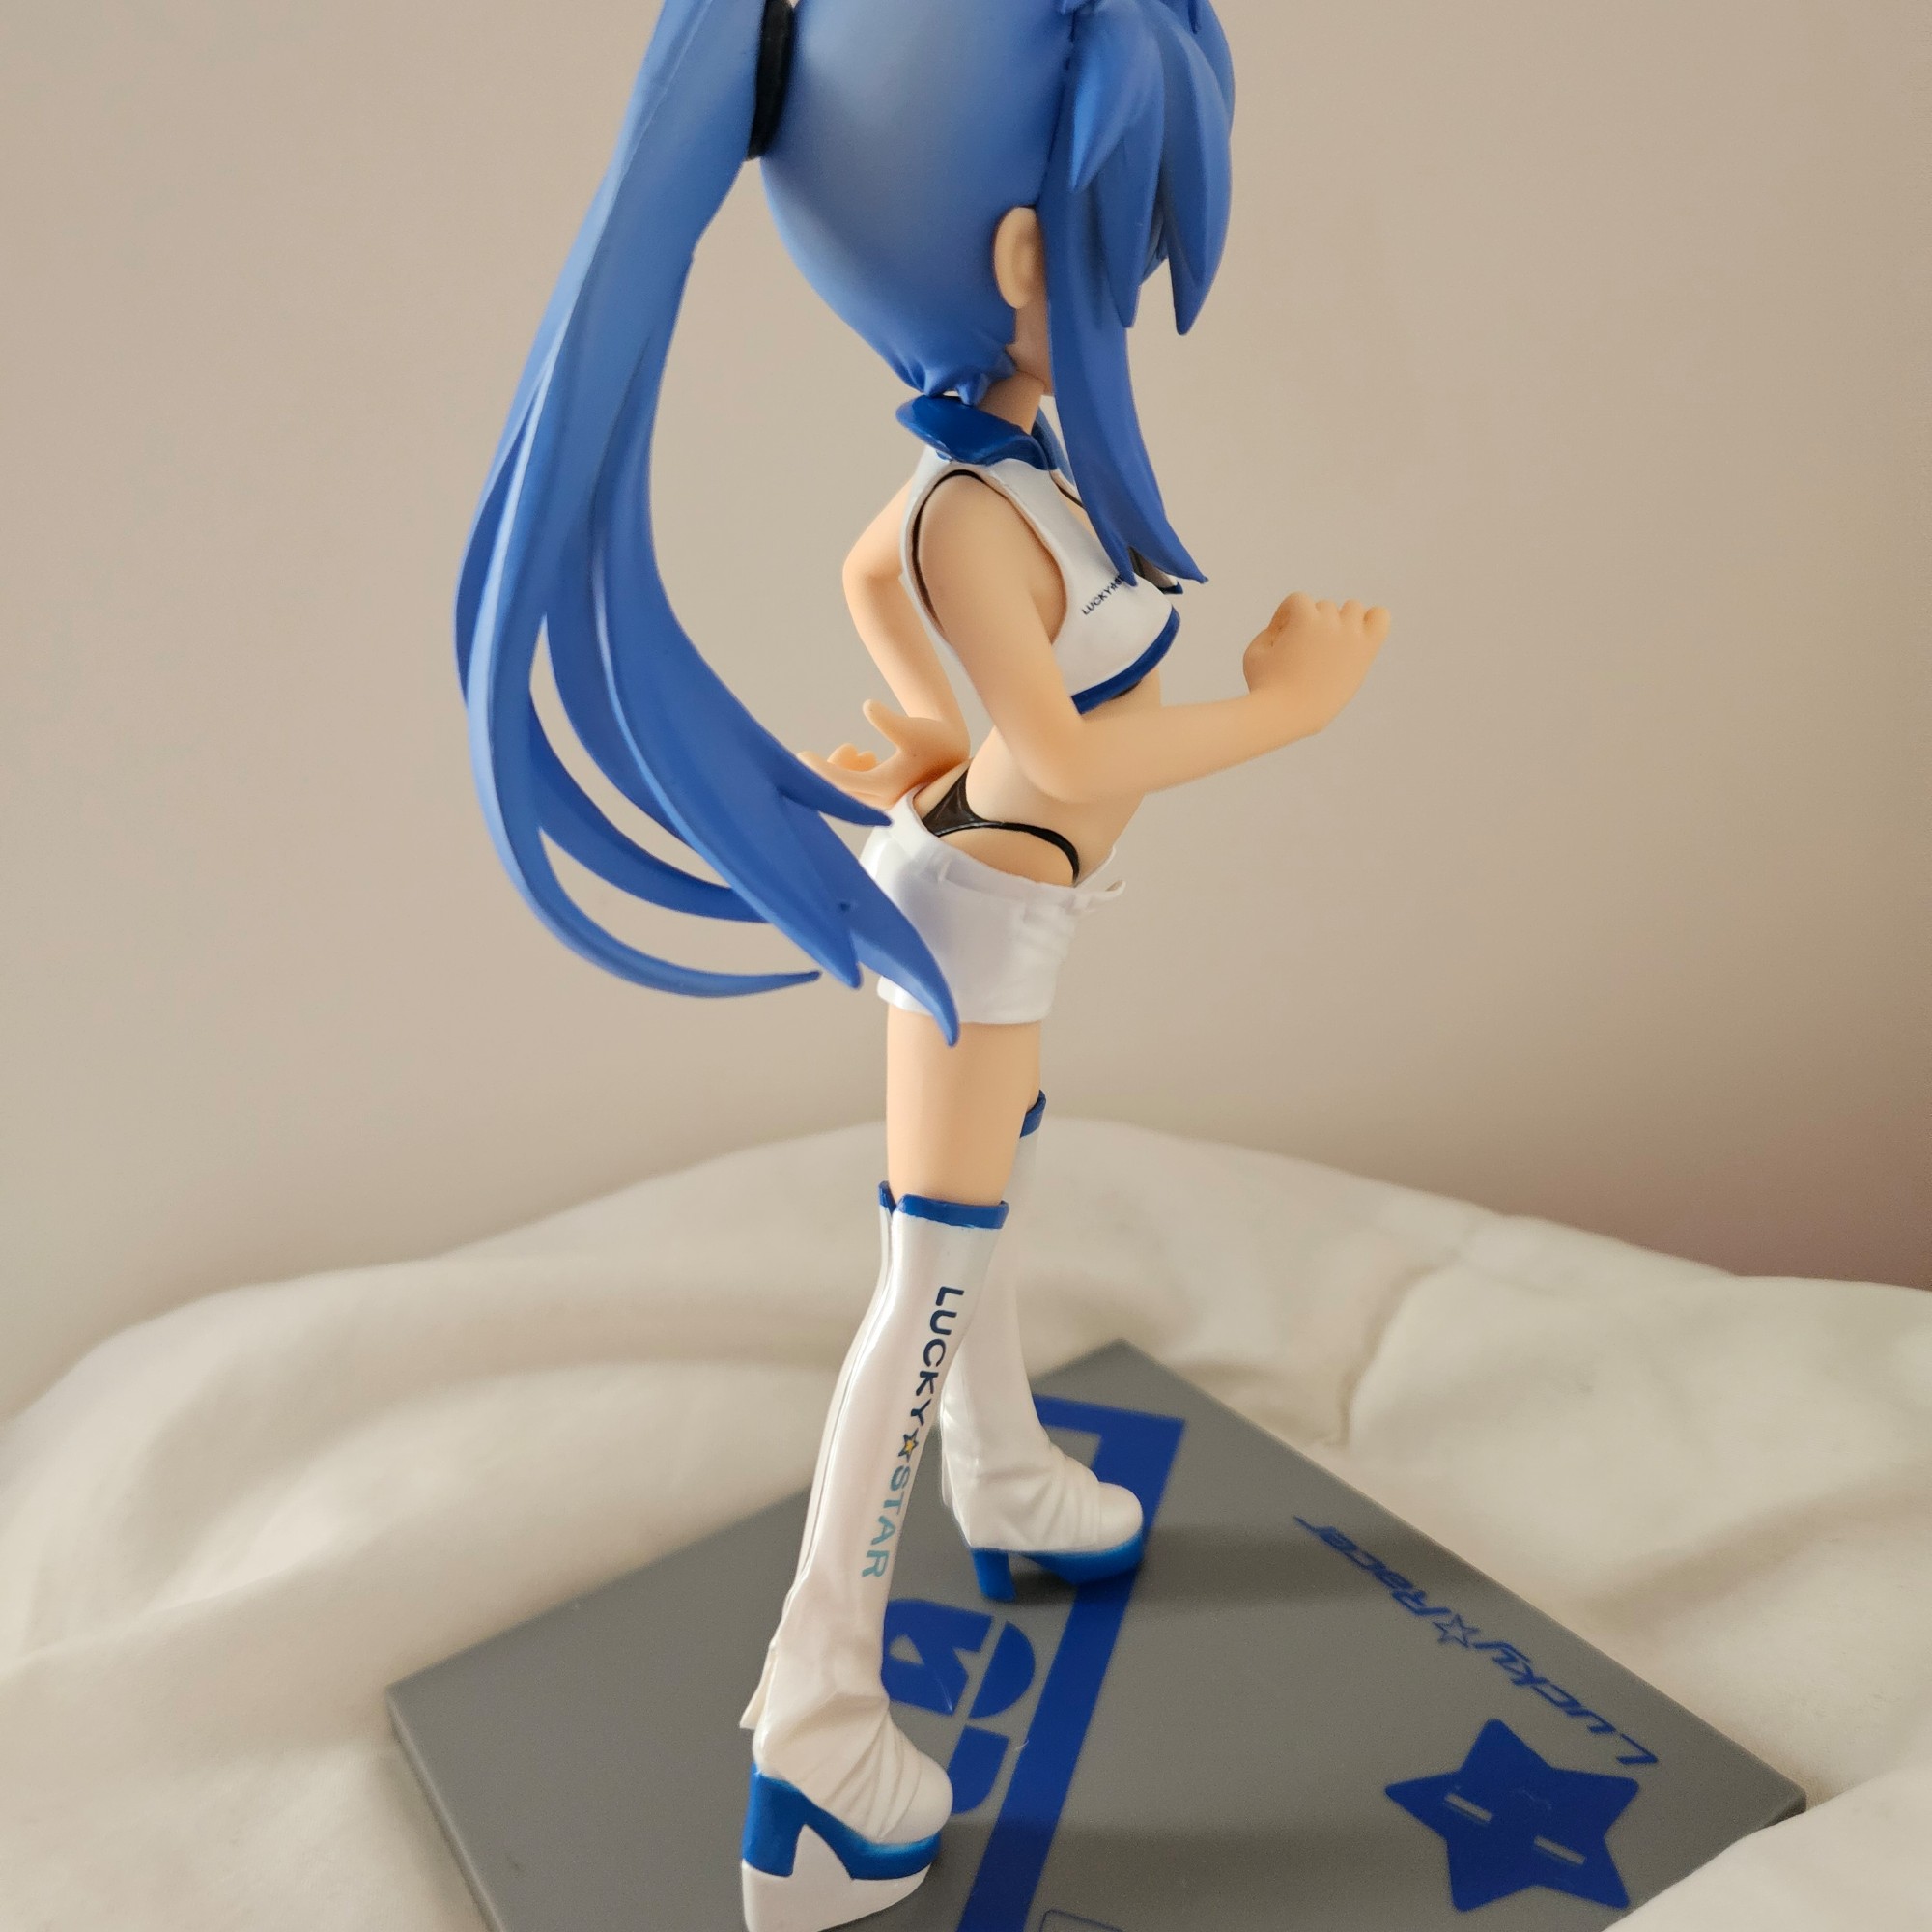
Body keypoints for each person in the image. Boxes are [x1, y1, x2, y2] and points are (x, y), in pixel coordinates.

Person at [457, 1, 1388, 1924]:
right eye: (1122, 242)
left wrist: (913, 727)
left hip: (987, 884)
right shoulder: (983, 507)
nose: (1132, 282)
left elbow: (868, 580)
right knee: (929, 1275)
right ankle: (815, 1740)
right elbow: (1067, 756)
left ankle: (1008, 1471)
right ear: (1027, 251)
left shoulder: (979, 486)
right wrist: (1284, 709)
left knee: (986, 1201)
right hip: (983, 918)